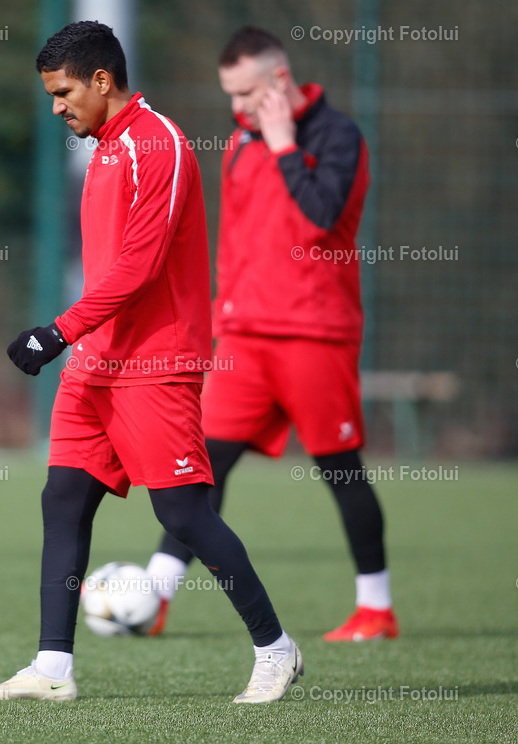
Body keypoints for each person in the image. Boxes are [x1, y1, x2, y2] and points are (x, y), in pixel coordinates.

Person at [0, 21, 302, 704]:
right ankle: (52, 668)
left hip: (155, 363)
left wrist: (54, 332)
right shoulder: (104, 150)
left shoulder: (161, 143)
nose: (57, 107)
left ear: (101, 79)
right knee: (63, 501)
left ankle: (276, 649)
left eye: (63, 93)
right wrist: (77, 341)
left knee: (183, 514)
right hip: (95, 364)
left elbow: (141, 266)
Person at [144, 27, 398, 642]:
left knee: (339, 467)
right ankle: (153, 596)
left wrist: (285, 147)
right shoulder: (240, 140)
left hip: (314, 333)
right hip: (243, 339)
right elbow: (235, 241)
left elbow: (320, 218)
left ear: (280, 80)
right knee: (202, 464)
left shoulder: (339, 136)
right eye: (229, 94)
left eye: (247, 91)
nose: (237, 106)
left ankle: (376, 608)